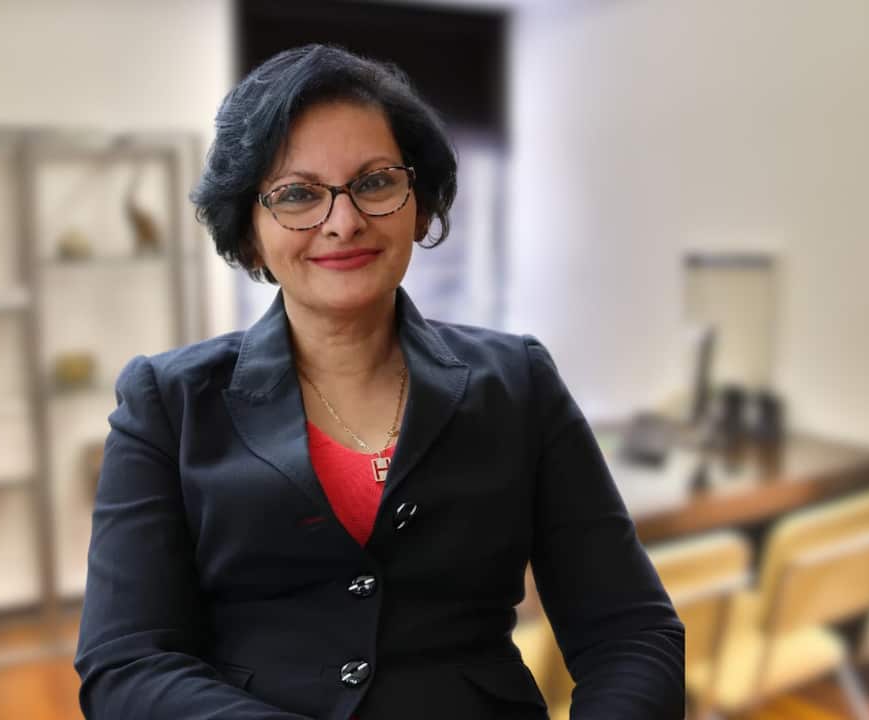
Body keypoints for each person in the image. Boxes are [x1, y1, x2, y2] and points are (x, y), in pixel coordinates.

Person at [74, 44, 684, 719]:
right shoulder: (167, 404)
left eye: (375, 182)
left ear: (419, 206)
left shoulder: (519, 384)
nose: (344, 222)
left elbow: (631, 632)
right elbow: (127, 664)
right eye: (298, 194)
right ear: (249, 232)